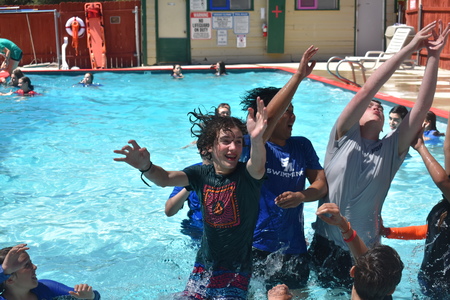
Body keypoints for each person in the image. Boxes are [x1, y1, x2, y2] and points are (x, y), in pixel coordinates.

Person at [309, 20, 450, 289]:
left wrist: (432, 57)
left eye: (381, 109)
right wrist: (408, 48)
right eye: (370, 106)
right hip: (325, 244)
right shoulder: (341, 138)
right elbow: (368, 88)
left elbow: (421, 107)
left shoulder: (391, 151)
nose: (376, 106)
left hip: (366, 253)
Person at [114, 99, 268, 299]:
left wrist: (256, 139)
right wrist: (146, 167)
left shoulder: (247, 176)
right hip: (203, 266)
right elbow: (165, 179)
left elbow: (257, 165)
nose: (233, 147)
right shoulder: (200, 174)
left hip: (237, 270)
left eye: (238, 141)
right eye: (226, 141)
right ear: (209, 147)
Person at [240, 46, 327, 290]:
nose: (292, 117)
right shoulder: (253, 145)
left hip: (295, 247)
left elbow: (320, 185)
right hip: (257, 246)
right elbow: (265, 125)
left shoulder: (302, 145)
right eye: (286, 112)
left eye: (293, 112)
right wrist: (298, 76)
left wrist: (302, 196)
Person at [269, 203, 404, 300]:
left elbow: (364, 260)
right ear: (392, 290)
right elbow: (365, 261)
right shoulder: (384, 292)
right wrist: (344, 227)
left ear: (352, 271)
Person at [381, 115, 450, 298]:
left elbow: (442, 179)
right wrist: (390, 232)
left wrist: (420, 147)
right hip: (430, 279)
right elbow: (430, 231)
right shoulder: (445, 206)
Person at [0, 243, 101, 300]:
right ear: (9, 279)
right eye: (27, 265)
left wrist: (90, 296)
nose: (35, 267)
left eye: (31, 263)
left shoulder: (45, 288)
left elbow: (94, 296)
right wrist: (4, 270)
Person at [165, 156, 210, 241]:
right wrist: (189, 186)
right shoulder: (191, 173)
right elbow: (169, 211)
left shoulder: (234, 173)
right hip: (197, 230)